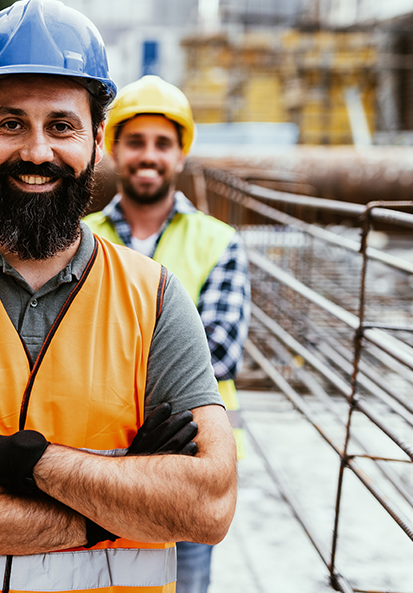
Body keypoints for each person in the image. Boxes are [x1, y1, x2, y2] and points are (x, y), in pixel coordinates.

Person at [0, 0, 237, 593]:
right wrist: (113, 506)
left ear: (97, 140)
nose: (36, 152)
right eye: (11, 124)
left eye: (61, 126)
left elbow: (208, 506)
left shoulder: (156, 298)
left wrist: (30, 462)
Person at [83, 75, 251, 593]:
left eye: (162, 143)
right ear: (113, 150)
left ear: (180, 155)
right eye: (135, 142)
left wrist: (110, 357)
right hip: (97, 457)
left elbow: (219, 352)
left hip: (192, 460)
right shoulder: (80, 238)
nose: (148, 155)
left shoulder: (217, 242)